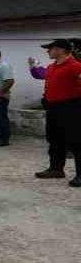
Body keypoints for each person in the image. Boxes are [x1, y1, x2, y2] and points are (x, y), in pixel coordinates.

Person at [30, 40, 81, 187]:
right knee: (54, 138)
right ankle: (56, 169)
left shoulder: (76, 67)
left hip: (71, 108)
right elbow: (42, 75)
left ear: (60, 50)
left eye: (50, 49)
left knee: (76, 141)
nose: (47, 51)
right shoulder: (52, 67)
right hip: (53, 108)